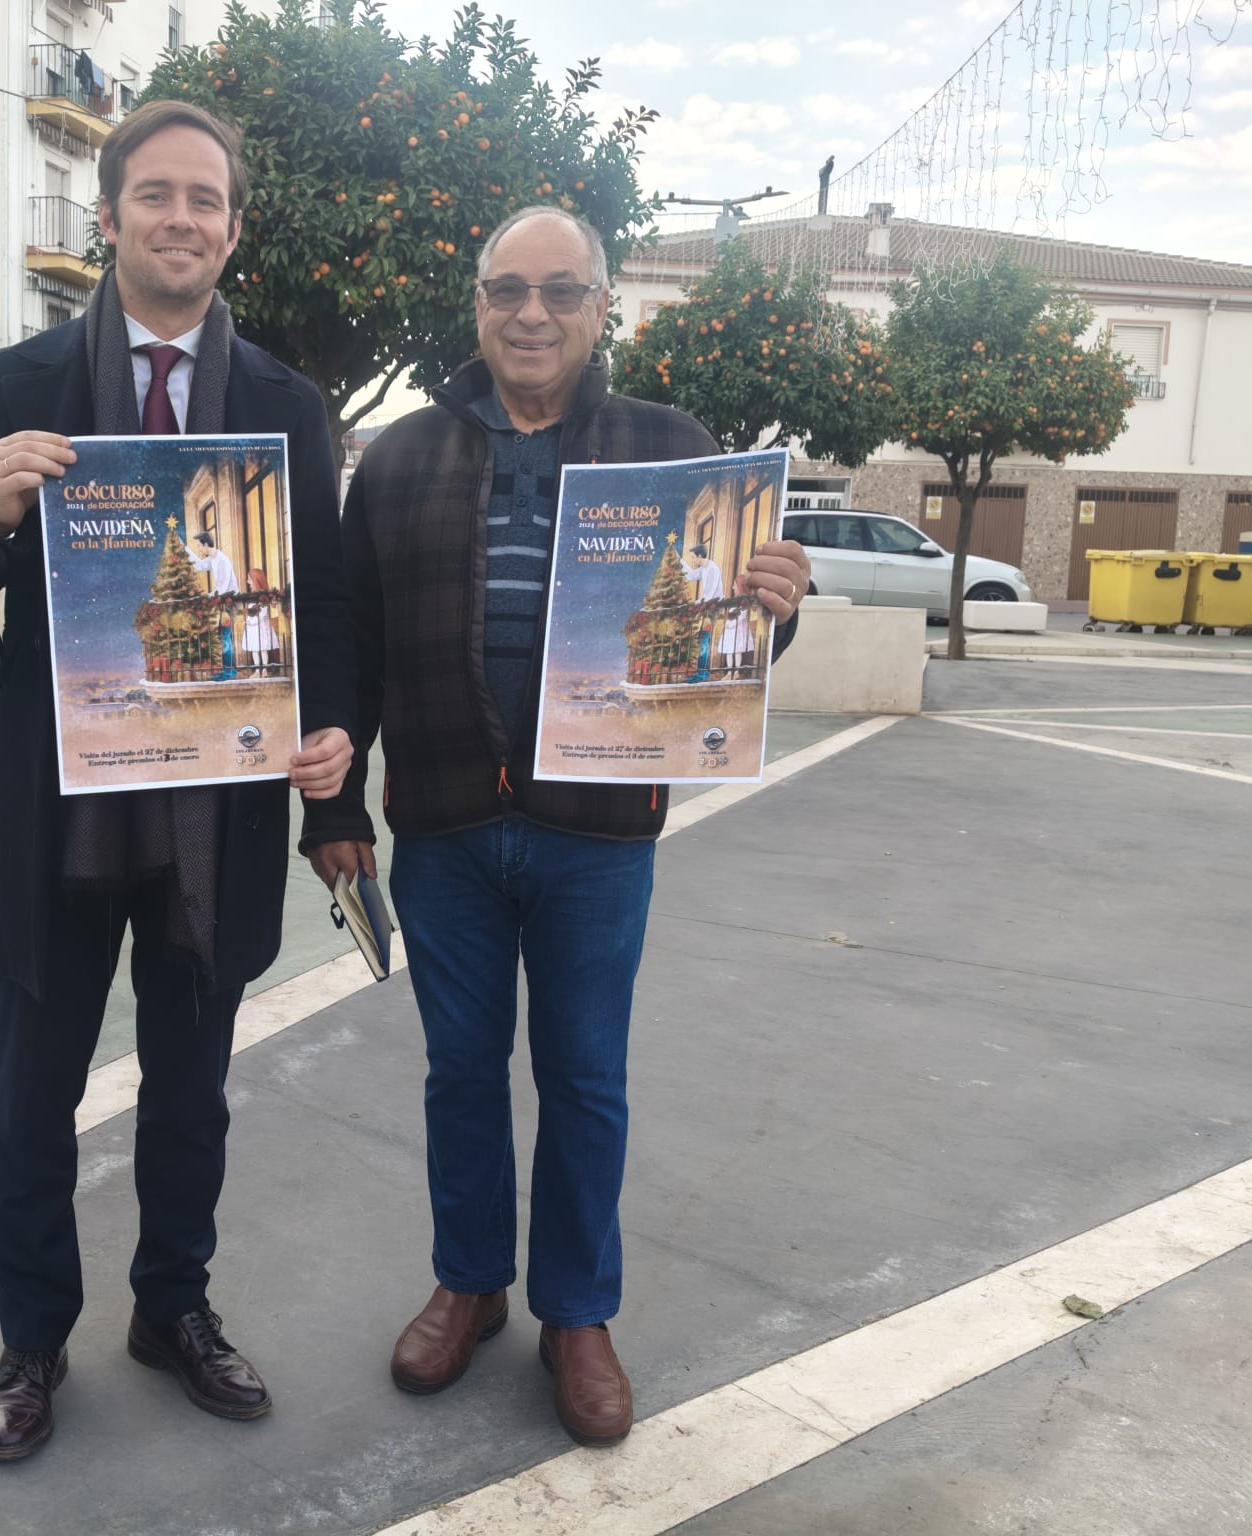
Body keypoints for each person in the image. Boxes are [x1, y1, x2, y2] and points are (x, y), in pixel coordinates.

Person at [300, 206, 811, 1448]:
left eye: (560, 292)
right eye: (507, 290)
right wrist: (332, 805)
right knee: (459, 1073)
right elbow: (351, 645)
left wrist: (773, 608)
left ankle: (576, 1313)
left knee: (585, 1080)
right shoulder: (404, 457)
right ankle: (472, 1284)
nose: (531, 313)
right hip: (443, 829)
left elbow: (721, 646)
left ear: (600, 307)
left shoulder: (670, 451)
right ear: (476, 303)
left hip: (599, 834)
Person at [0, 98, 356, 1465]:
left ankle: (174, 1311)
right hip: (57, 821)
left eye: (204, 200)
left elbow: (322, 620)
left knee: (191, 1092)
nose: (179, 220)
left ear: (231, 230)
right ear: (108, 219)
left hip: (212, 813)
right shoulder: (20, 386)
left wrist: (332, 766)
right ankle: (32, 1335)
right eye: (153, 196)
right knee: (33, 1094)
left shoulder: (284, 410)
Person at [190, 529, 240, 679]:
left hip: (230, 602)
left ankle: (229, 672)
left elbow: (223, 587)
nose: (198, 549)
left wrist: (208, 595)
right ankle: (227, 670)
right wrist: (184, 549)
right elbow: (199, 566)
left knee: (225, 637)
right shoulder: (212, 558)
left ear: (206, 544)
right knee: (224, 636)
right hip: (224, 602)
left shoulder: (222, 559)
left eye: (199, 546)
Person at [679, 543, 728, 681]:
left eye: (694, 557)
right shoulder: (703, 569)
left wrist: (696, 603)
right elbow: (690, 576)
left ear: (700, 556)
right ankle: (701, 672)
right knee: (702, 639)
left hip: (713, 607)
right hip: (706, 606)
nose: (693, 560)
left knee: (704, 639)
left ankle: (702, 673)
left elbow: (710, 593)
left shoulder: (712, 569)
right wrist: (680, 561)